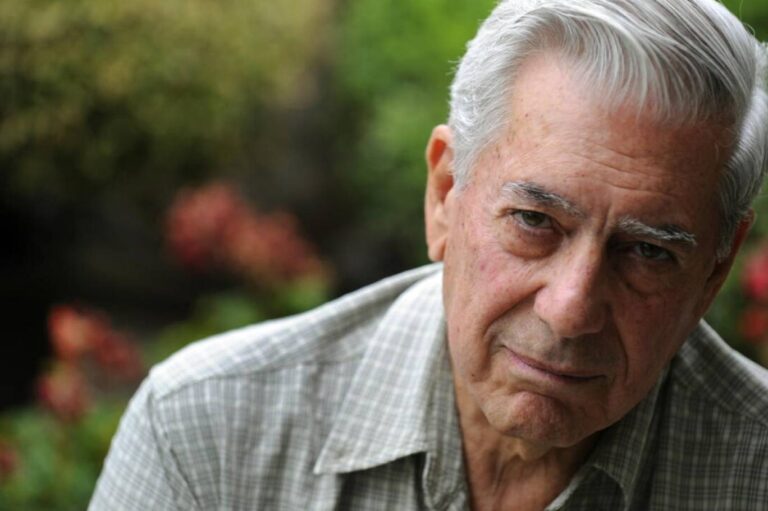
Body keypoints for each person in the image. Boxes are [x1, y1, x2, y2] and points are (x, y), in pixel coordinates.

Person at [90, 1, 768, 509]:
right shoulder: (206, 432)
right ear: (445, 194)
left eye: (647, 252)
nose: (570, 310)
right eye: (535, 221)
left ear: (713, 271)